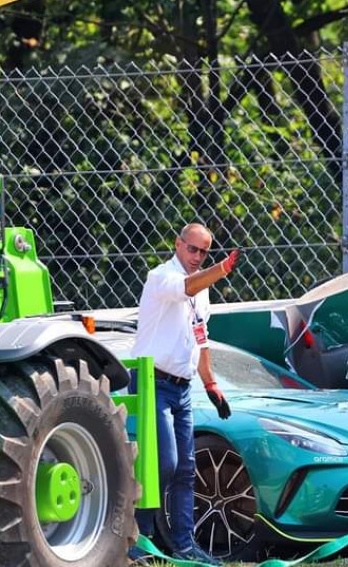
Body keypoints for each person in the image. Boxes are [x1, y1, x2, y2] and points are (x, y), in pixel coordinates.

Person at [129, 223, 238, 565]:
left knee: (186, 468)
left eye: (204, 252)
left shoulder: (201, 290)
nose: (198, 257)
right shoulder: (162, 277)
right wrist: (221, 269)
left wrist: (211, 383)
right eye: (193, 249)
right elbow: (187, 286)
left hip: (181, 387)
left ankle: (184, 545)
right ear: (178, 244)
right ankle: (138, 539)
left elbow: (200, 337)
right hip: (152, 381)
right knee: (163, 463)